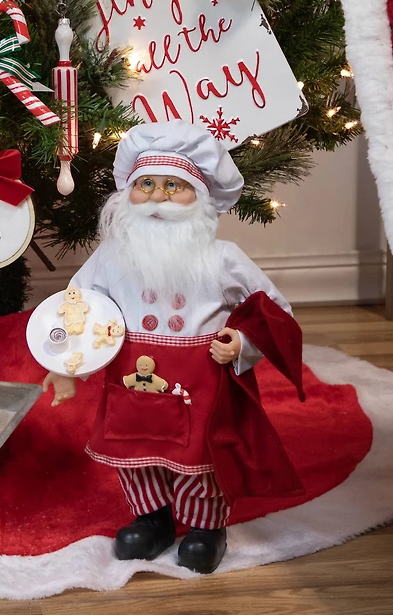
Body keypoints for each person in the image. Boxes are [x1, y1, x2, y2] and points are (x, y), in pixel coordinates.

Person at [42, 122, 305, 574]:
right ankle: (152, 519)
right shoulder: (109, 257)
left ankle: (206, 528)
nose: (158, 196)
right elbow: (78, 309)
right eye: (146, 184)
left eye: (173, 185)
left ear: (200, 196)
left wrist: (242, 343)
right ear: (128, 192)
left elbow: (274, 312)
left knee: (201, 456)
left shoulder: (224, 257)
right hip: (130, 382)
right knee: (134, 453)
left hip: (200, 382)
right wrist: (67, 366)